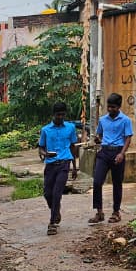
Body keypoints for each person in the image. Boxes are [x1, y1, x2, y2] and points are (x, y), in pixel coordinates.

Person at [90, 93, 133, 225]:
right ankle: (99, 212)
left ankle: (116, 212)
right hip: (104, 152)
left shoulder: (125, 120)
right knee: (97, 182)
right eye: (109, 107)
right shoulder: (103, 120)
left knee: (117, 183)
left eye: (113, 107)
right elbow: (100, 134)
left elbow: (128, 138)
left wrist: (122, 154)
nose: (110, 109)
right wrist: (98, 140)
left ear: (119, 107)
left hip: (118, 152)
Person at [38, 101, 79, 235]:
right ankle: (55, 210)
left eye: (62, 115)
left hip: (64, 163)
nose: (60, 117)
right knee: (47, 193)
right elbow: (41, 148)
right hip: (50, 164)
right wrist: (45, 154)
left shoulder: (70, 128)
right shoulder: (46, 130)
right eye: (58, 115)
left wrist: (74, 167)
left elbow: (73, 147)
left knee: (57, 193)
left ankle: (52, 223)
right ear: (53, 115)